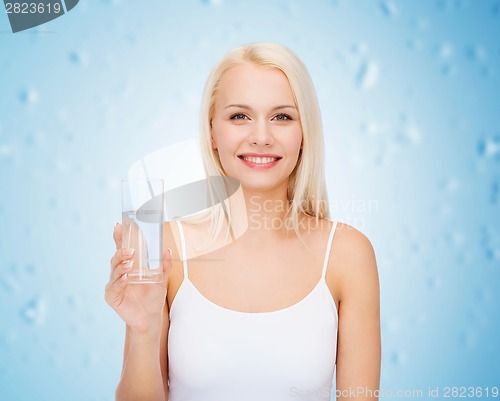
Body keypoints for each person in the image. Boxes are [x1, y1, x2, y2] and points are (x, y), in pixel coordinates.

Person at [105, 42, 381, 401]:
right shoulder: (166, 249)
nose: (261, 137)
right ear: (212, 134)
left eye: (282, 116)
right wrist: (142, 330)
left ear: (304, 134)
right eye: (239, 116)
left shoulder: (347, 255)